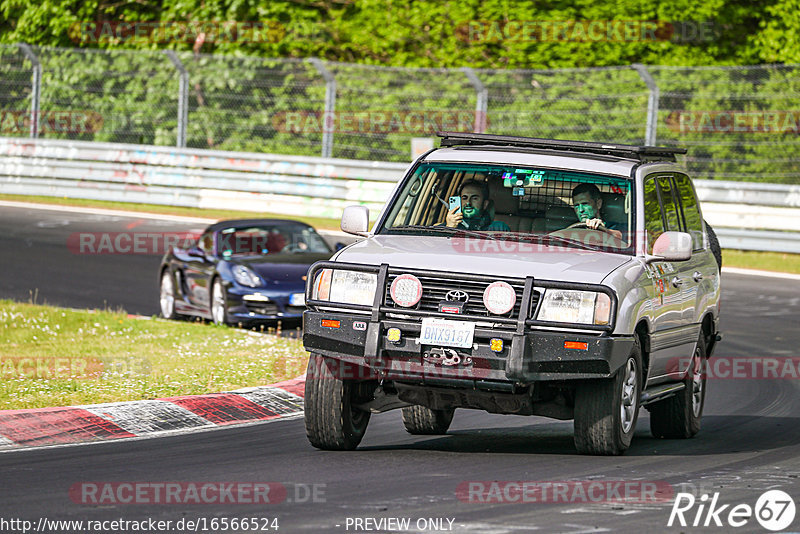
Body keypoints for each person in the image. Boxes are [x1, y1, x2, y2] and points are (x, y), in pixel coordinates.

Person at [445, 180, 511, 231]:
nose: (468, 203)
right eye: (464, 198)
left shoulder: (499, 228)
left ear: (485, 204)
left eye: (474, 198)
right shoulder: (444, 228)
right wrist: (449, 229)